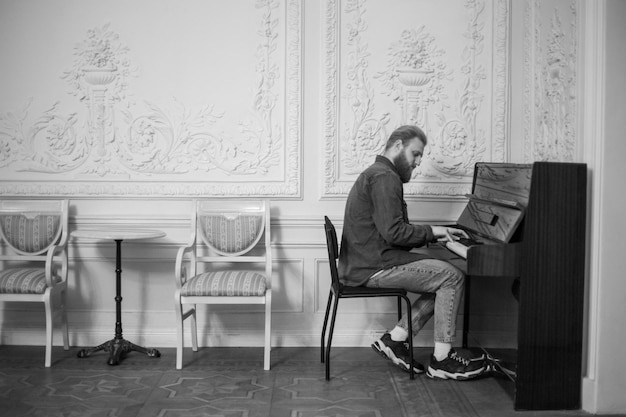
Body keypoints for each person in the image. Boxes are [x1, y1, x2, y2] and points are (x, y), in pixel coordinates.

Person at [338, 124, 487, 380]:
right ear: (398, 146)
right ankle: (441, 360)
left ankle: (395, 340)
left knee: (443, 278)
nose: (418, 162)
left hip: (366, 262)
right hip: (372, 266)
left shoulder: (379, 173)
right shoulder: (385, 177)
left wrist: (437, 233)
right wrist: (433, 231)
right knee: (452, 277)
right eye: (415, 154)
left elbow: (391, 232)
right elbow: (395, 233)